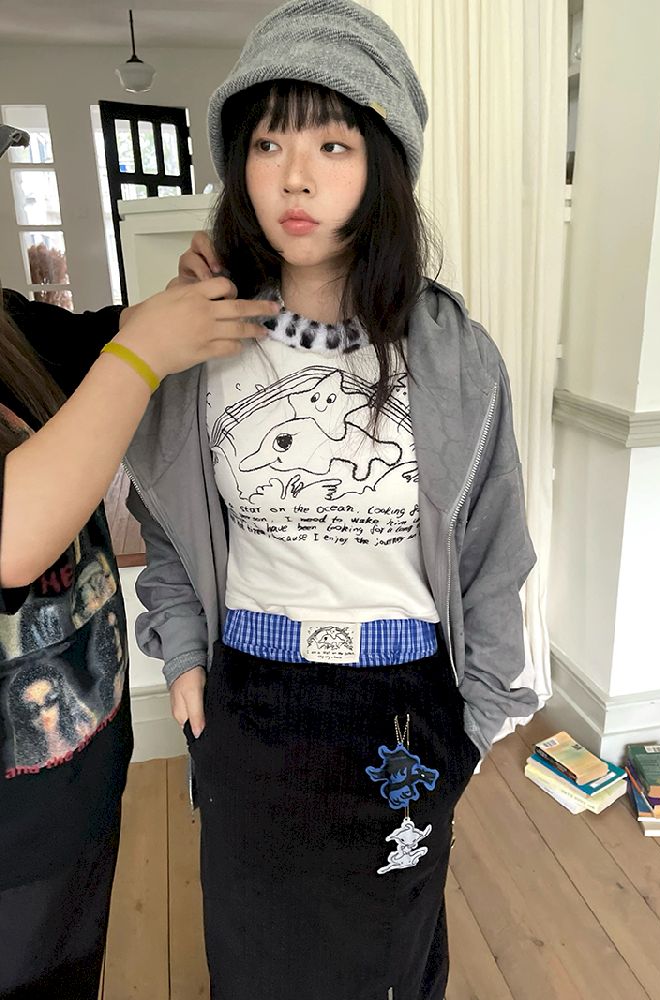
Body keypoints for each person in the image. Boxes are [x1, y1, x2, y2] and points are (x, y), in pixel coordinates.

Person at [125, 1, 539, 997]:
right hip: (251, 699)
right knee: (254, 956)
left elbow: (494, 552)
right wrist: (185, 653)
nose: (295, 177)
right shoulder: (201, 340)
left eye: (332, 144)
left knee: (390, 955)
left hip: (403, 707)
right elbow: (166, 519)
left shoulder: (456, 358)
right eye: (268, 142)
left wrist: (476, 721)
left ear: (382, 167)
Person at [0, 261, 277, 995]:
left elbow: (96, 337)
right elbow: (11, 539)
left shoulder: (10, 323)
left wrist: (181, 306)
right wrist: (143, 351)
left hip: (80, 777)